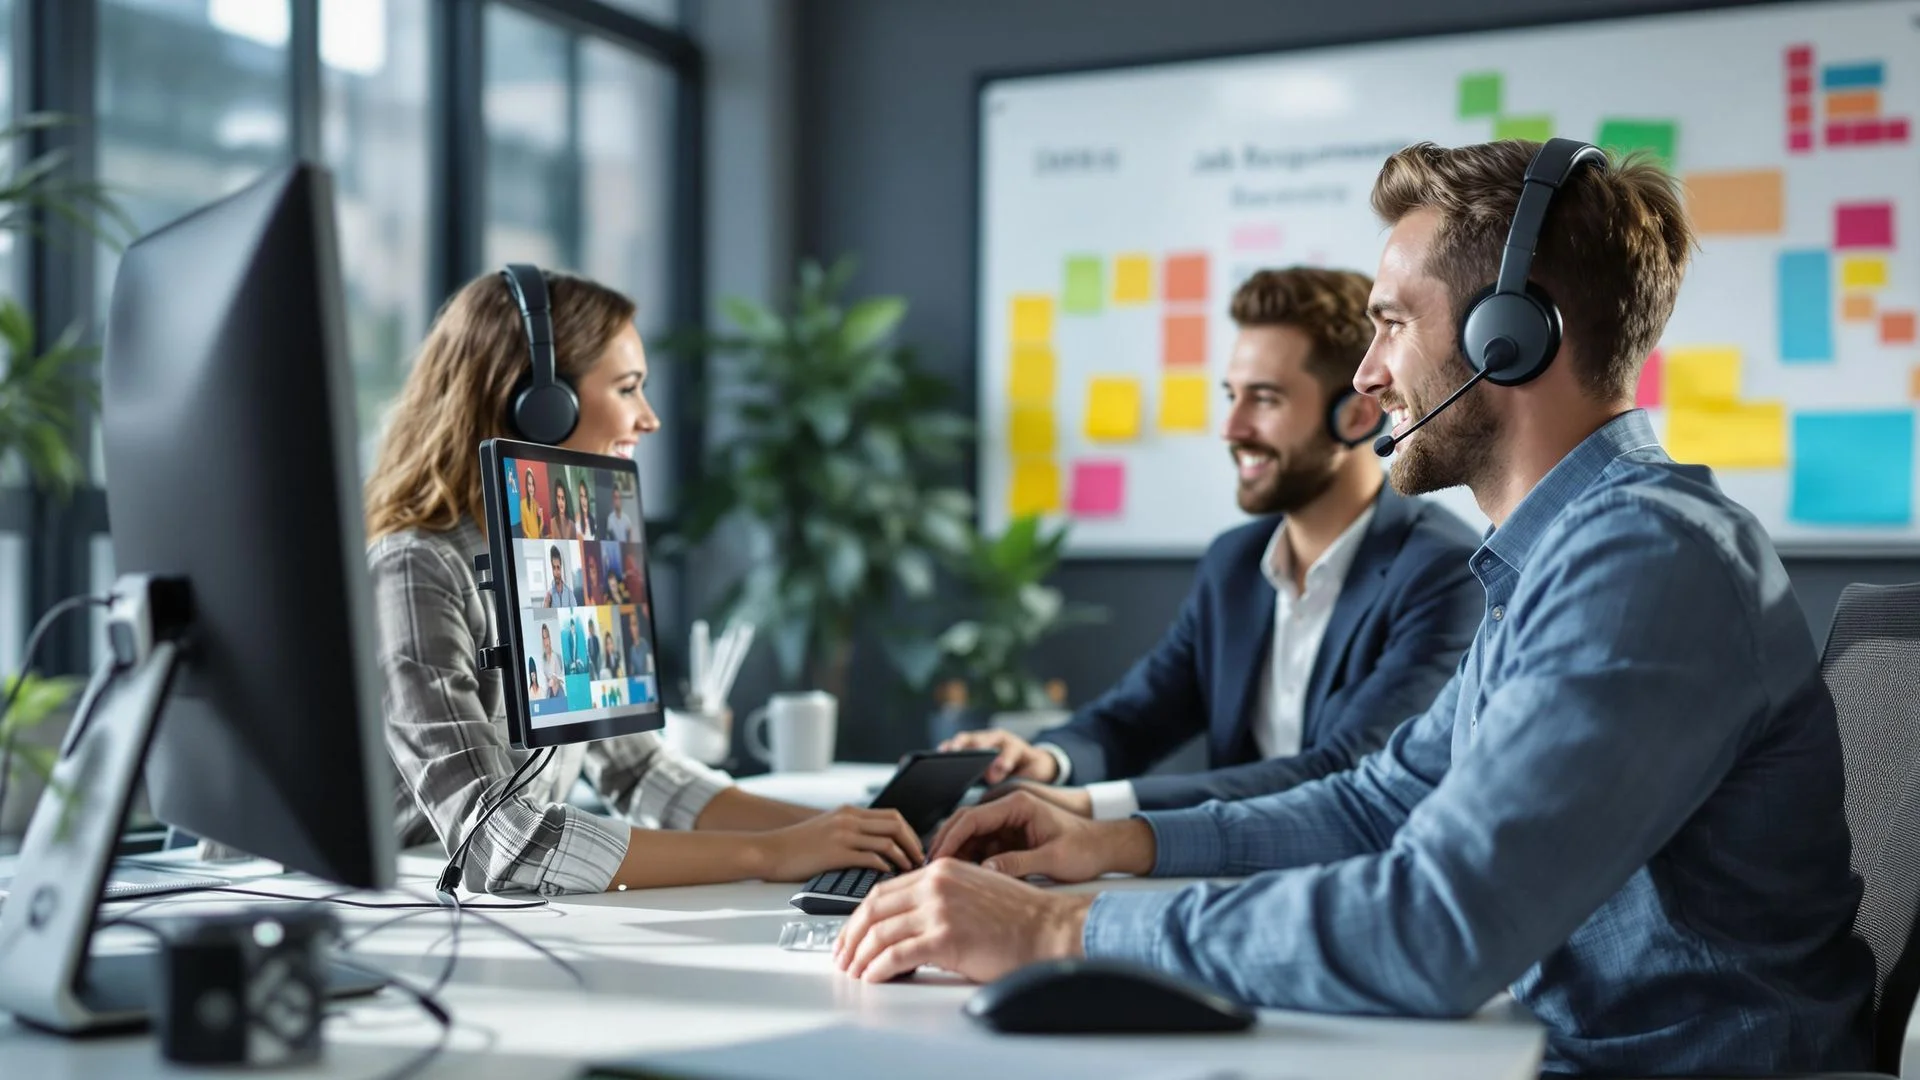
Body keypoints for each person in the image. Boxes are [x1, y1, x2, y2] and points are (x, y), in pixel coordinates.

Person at [834, 139, 1874, 1077]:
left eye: (1389, 325)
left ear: (1510, 338)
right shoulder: (1567, 555)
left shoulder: (1646, 562)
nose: (1369, 379)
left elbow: (1438, 930)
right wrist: (1117, 843)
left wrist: (1060, 936)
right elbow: (1381, 801)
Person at [363, 267, 924, 895]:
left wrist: (845, 832)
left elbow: (641, 774)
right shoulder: (415, 567)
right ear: (540, 405)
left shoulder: (580, 542)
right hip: (401, 914)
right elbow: (502, 842)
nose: (649, 418)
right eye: (628, 388)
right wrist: (769, 854)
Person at [941, 266, 1482, 818]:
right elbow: (1135, 717)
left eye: (1265, 400)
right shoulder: (1236, 564)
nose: (1231, 427)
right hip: (1230, 881)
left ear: (1357, 415)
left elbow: (1345, 770)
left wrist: (1085, 807)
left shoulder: (1445, 572)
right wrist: (1046, 762)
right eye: (1232, 396)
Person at [519, 467, 543, 539]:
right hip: (529, 542)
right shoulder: (522, 504)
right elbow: (524, 528)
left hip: (538, 541)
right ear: (526, 486)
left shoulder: (537, 504)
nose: (531, 488)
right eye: (529, 484)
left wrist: (541, 517)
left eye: (532, 484)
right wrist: (531, 540)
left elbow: (540, 527)